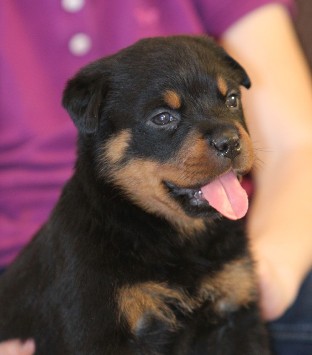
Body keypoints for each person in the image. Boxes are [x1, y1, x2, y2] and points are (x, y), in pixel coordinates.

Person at [0, 0, 311, 354]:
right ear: (97, 127)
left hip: (256, 243)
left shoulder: (222, 229)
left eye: (229, 100)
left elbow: (299, 146)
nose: (226, 134)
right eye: (164, 119)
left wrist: (279, 267)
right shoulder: (96, 262)